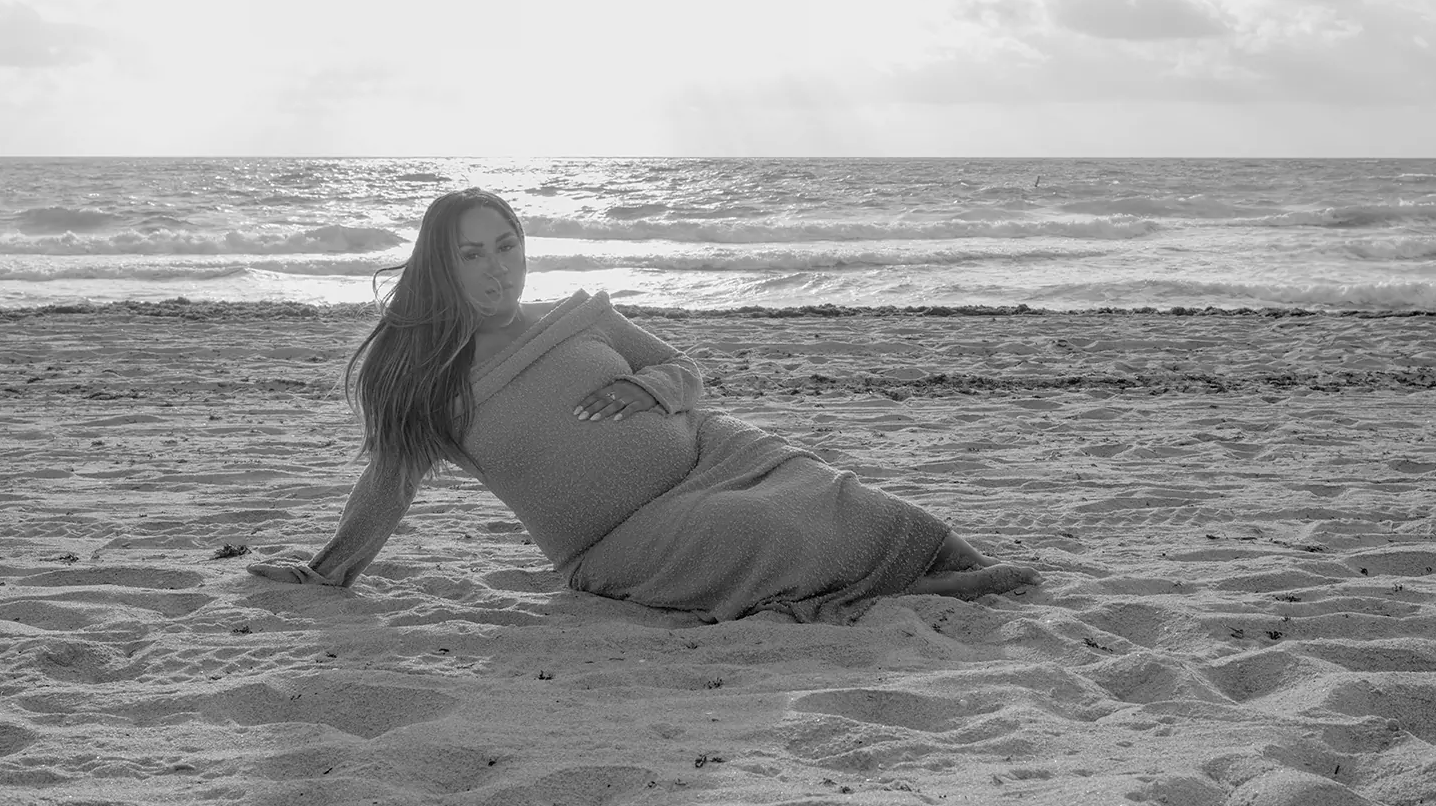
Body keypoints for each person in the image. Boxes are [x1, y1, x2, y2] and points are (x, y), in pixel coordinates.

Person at [248, 188, 1040, 622]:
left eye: (508, 246)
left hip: (715, 453)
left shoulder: (579, 317)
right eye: (473, 254)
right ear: (443, 266)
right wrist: (329, 571)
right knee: (760, 531)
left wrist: (646, 388)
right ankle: (926, 592)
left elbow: (683, 368)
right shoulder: (427, 377)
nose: (498, 269)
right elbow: (388, 483)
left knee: (848, 498)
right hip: (621, 538)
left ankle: (957, 566)